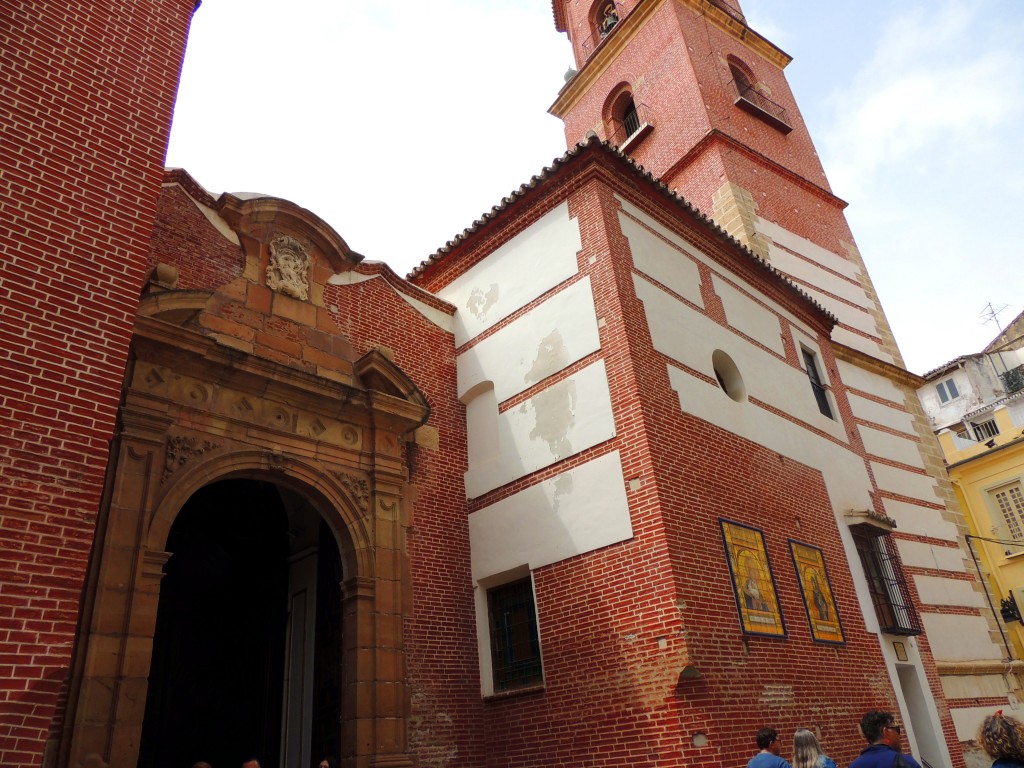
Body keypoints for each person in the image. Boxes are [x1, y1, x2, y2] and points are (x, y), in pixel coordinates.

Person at [849, 711, 922, 768]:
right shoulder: (903, 762)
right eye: (897, 729)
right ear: (886, 732)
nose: (899, 734)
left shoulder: (854, 765)